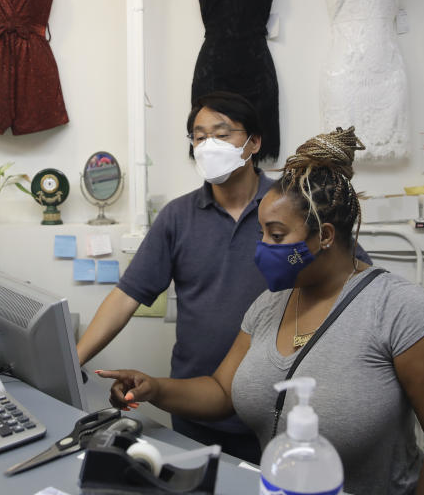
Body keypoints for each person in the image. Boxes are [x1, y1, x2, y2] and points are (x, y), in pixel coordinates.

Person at [96, 127, 424, 495]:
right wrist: (155, 388)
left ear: (325, 236)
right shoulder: (268, 305)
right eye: (261, 233)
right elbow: (221, 391)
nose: (262, 247)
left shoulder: (401, 312)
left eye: (276, 236)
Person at [77, 92, 370, 463]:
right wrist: (73, 360)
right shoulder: (177, 217)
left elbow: (353, 279)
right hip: (197, 404)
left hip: (280, 408)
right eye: (199, 137)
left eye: (222, 133)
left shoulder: (291, 206)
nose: (208, 145)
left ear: (254, 142)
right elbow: (126, 296)